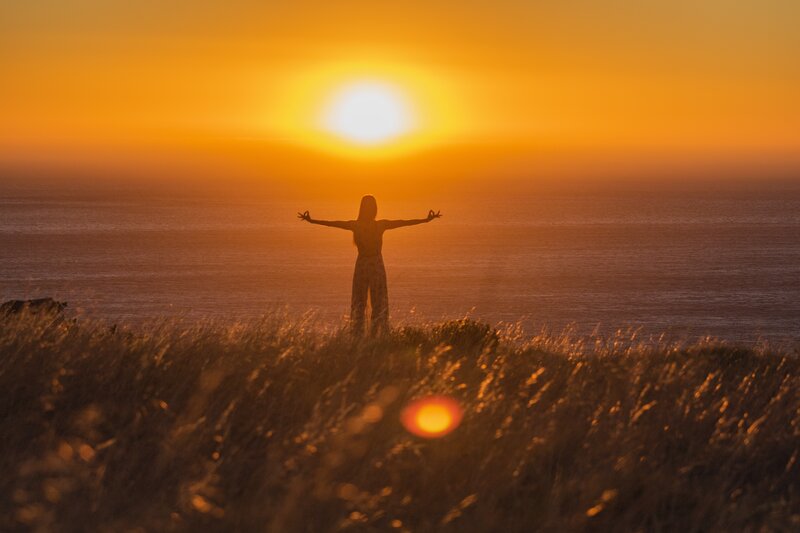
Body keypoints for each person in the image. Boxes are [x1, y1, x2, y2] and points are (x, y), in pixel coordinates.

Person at [298, 195, 441, 335]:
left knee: (359, 301)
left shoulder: (356, 225)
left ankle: (358, 333)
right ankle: (377, 333)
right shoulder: (379, 225)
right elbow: (403, 222)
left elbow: (333, 223)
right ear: (375, 209)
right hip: (376, 265)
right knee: (379, 301)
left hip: (362, 265)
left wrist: (312, 221)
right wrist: (426, 220)